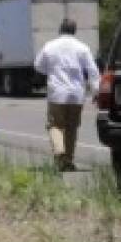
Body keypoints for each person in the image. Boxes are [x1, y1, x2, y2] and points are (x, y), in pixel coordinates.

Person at [33, 17, 100, 171]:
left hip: (57, 93)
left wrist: (50, 70)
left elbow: (38, 65)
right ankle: (67, 161)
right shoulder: (82, 48)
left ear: (60, 30)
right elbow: (93, 71)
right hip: (77, 94)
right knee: (72, 128)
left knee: (54, 125)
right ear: (74, 31)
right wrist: (96, 91)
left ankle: (59, 150)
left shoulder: (50, 46)